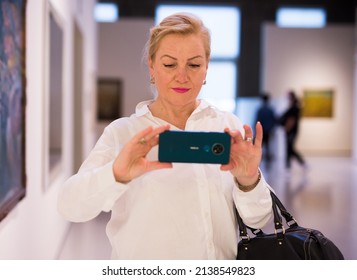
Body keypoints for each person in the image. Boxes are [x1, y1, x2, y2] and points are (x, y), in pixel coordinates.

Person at [58, 12, 273, 260]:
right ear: (152, 66)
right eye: (169, 64)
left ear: (206, 67)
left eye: (194, 64)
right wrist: (115, 175)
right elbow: (70, 206)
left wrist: (249, 180)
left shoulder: (227, 126)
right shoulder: (123, 133)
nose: (182, 76)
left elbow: (259, 218)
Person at [279, 90, 306, 169]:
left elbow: (292, 120)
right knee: (288, 148)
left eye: (288, 96)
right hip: (290, 131)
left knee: (290, 148)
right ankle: (288, 165)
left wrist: (287, 128)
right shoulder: (292, 106)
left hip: (292, 131)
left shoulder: (294, 107)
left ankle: (301, 163)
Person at [255, 93, 277, 162]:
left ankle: (259, 158)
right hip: (268, 130)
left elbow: (257, 121)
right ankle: (267, 159)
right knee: (267, 145)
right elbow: (274, 121)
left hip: (261, 131)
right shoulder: (270, 110)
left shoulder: (260, 110)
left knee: (260, 144)